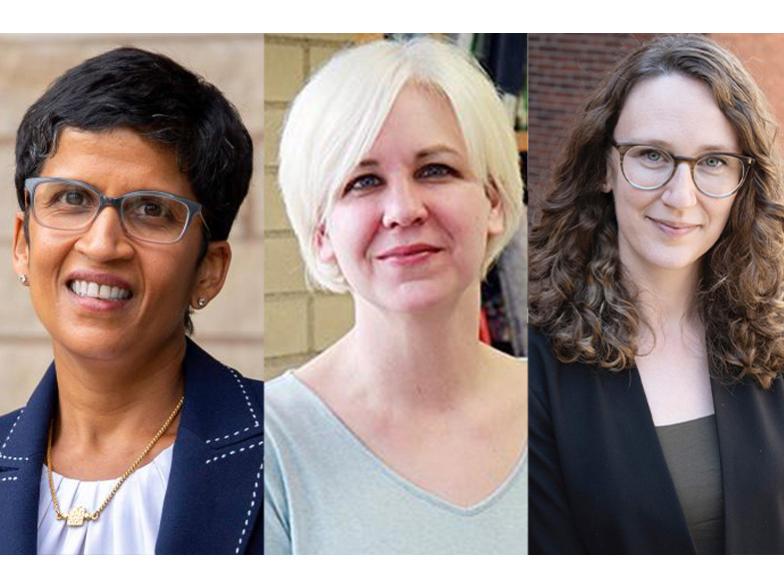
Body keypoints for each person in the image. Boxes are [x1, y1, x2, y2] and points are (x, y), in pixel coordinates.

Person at [264, 38, 526, 554]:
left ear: (493, 201)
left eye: (436, 170)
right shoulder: (266, 444)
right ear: (322, 234)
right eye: (363, 182)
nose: (403, 210)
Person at [0, 47, 263, 554]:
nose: (102, 244)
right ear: (22, 245)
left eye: (151, 210)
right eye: (71, 198)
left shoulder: (277, 442)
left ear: (208, 271)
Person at [529, 34, 784, 554]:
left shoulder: (773, 339)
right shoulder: (536, 366)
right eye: (652, 155)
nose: (680, 196)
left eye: (713, 161)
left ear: (742, 183)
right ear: (604, 165)